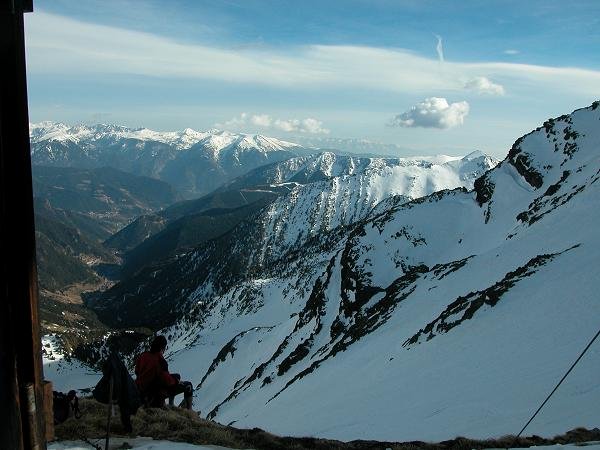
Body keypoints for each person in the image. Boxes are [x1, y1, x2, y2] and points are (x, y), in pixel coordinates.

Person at [134, 335, 193, 410]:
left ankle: (171, 404)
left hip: (141, 390)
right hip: (155, 393)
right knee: (188, 385)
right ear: (162, 348)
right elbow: (167, 380)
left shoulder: (143, 356)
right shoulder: (160, 361)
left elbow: (137, 371)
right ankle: (189, 410)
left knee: (176, 376)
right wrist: (176, 381)